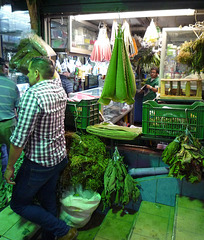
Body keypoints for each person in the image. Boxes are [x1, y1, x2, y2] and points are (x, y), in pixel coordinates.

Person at [4, 57, 77, 240]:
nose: (27, 75)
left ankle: (62, 229)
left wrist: (10, 166)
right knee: (48, 199)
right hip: (58, 158)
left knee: (18, 204)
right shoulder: (59, 89)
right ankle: (49, 237)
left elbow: (20, 139)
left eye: (29, 72)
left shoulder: (33, 94)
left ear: (36, 73)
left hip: (39, 162)